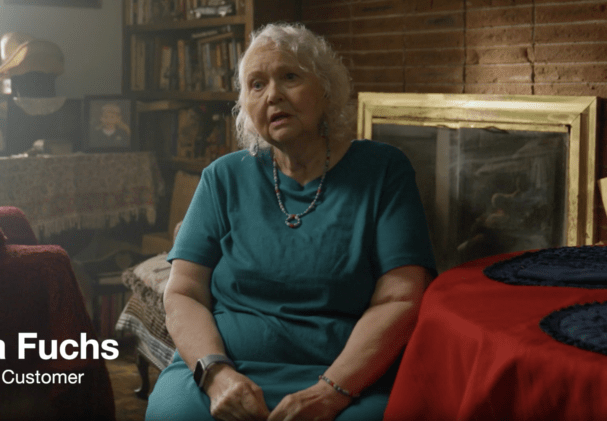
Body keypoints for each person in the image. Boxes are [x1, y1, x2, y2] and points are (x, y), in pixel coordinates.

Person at [145, 22, 436, 421]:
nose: (274, 95)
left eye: (290, 77)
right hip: (224, 365)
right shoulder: (222, 177)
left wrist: (332, 391)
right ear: (245, 105)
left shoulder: (383, 170)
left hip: (348, 375)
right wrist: (216, 375)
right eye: (257, 85)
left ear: (326, 89)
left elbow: (401, 297)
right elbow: (183, 292)